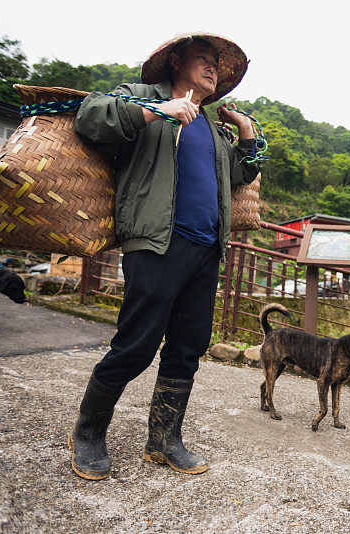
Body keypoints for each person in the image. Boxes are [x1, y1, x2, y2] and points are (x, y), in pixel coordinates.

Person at [68, 33, 262, 480]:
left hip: (205, 249)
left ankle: (163, 441)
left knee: (187, 348)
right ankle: (89, 434)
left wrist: (247, 132)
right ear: (175, 61)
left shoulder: (213, 128)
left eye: (218, 64)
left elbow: (240, 172)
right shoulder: (144, 98)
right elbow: (90, 117)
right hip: (157, 242)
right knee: (136, 345)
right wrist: (157, 110)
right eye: (203, 59)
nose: (213, 69)